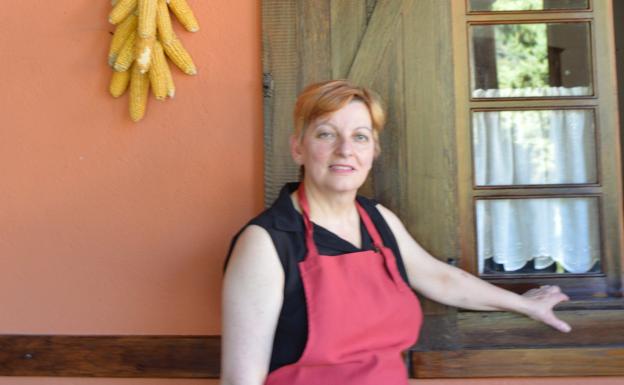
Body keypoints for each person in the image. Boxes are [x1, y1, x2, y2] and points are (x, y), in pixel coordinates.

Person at [220, 80, 571, 385]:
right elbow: (240, 379)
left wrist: (526, 305)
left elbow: (440, 278)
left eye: (360, 137)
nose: (345, 149)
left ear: (374, 150)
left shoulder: (377, 220)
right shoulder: (266, 242)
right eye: (326, 134)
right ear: (298, 146)